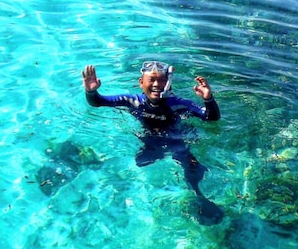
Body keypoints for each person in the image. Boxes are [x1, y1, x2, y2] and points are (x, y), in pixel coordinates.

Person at [81, 61, 224, 225]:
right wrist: (91, 91)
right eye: (152, 80)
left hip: (177, 141)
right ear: (141, 83)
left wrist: (208, 99)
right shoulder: (133, 101)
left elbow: (211, 118)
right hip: (151, 142)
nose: (157, 84)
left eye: (162, 80)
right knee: (141, 162)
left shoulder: (178, 104)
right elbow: (99, 102)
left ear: (169, 84)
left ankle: (199, 197)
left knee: (191, 172)